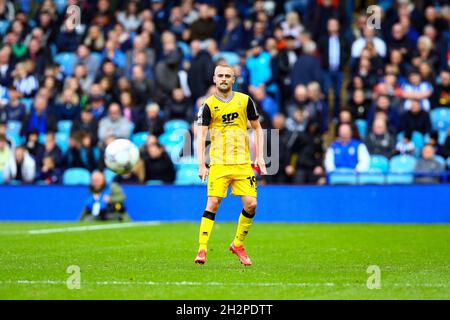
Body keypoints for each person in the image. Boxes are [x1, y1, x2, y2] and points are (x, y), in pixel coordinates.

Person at [194, 64, 266, 266]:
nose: (224, 78)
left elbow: (258, 129)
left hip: (242, 163)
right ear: (214, 79)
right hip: (219, 163)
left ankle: (237, 244)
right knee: (213, 202)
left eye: (228, 76)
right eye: (220, 75)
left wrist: (259, 156)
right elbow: (201, 136)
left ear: (233, 79)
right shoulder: (208, 105)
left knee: (251, 204)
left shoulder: (245, 101)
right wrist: (202, 164)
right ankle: (202, 249)